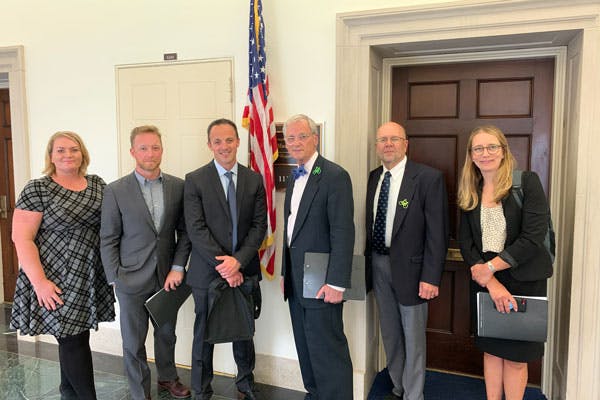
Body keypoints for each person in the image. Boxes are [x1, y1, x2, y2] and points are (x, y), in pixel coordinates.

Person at [10, 131, 115, 399]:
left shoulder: (97, 184)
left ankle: (68, 392)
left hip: (87, 274)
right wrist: (40, 283)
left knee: (75, 338)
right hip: (53, 276)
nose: (68, 154)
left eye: (74, 149)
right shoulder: (38, 188)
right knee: (73, 340)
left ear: (83, 153)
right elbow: (21, 238)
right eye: (60, 150)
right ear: (51, 156)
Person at [458, 125, 552, 400]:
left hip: (523, 278)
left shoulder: (527, 182)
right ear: (471, 155)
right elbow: (466, 243)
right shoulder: (470, 190)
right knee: (491, 351)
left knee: (515, 358)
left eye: (491, 147)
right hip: (485, 280)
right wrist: (490, 281)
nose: (485, 153)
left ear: (503, 151)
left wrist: (490, 270)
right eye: (478, 148)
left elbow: (532, 237)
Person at [100, 125, 191, 400]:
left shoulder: (178, 186)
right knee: (133, 342)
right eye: (143, 148)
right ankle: (140, 391)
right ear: (132, 152)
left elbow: (185, 232)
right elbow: (108, 237)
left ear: (162, 150)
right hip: (130, 279)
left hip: (167, 277)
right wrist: (115, 276)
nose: (150, 153)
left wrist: (178, 267)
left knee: (167, 335)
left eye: (155, 147)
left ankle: (167, 378)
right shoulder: (116, 190)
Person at [365, 122, 449, 400]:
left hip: (413, 272)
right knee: (389, 332)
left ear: (405, 144)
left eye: (394, 139)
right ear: (377, 146)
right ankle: (398, 385)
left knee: (413, 338)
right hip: (378, 264)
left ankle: (414, 394)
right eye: (382, 140)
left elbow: (438, 233)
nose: (388, 144)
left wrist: (431, 277)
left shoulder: (427, 178)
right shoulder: (374, 177)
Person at [184, 118, 267, 400]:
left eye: (229, 140)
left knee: (243, 330)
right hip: (207, 273)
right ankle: (200, 388)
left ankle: (245, 384)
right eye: (217, 141)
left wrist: (238, 262)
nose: (224, 146)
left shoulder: (254, 180)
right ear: (209, 145)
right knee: (204, 334)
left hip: (244, 271)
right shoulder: (195, 180)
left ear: (238, 142)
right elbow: (196, 229)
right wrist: (225, 266)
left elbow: (259, 227)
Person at [280, 114, 354, 400]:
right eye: (290, 138)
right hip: (298, 283)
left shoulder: (334, 176)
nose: (296, 142)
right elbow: (293, 232)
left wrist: (337, 283)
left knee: (329, 353)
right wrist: (287, 275)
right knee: (307, 349)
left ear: (315, 138)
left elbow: (343, 232)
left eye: (302, 136)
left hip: (323, 283)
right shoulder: (296, 173)